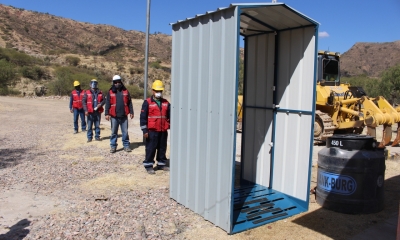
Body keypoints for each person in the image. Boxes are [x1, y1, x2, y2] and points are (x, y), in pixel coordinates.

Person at [140, 80, 171, 174]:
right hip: (152, 131)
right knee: (151, 148)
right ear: (153, 91)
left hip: (163, 130)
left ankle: (161, 164)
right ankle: (149, 165)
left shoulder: (166, 103)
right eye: (157, 91)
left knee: (162, 147)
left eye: (160, 91)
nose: (159, 93)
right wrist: (144, 130)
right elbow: (143, 118)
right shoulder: (147, 102)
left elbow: (170, 115)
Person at [104, 75, 134, 153]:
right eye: (116, 82)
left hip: (124, 116)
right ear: (113, 83)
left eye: (119, 82)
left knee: (125, 132)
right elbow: (107, 103)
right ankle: (113, 146)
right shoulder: (110, 92)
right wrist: (106, 113)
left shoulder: (126, 91)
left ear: (121, 82)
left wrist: (131, 112)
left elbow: (129, 102)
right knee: (114, 132)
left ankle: (126, 146)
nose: (117, 83)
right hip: (114, 116)